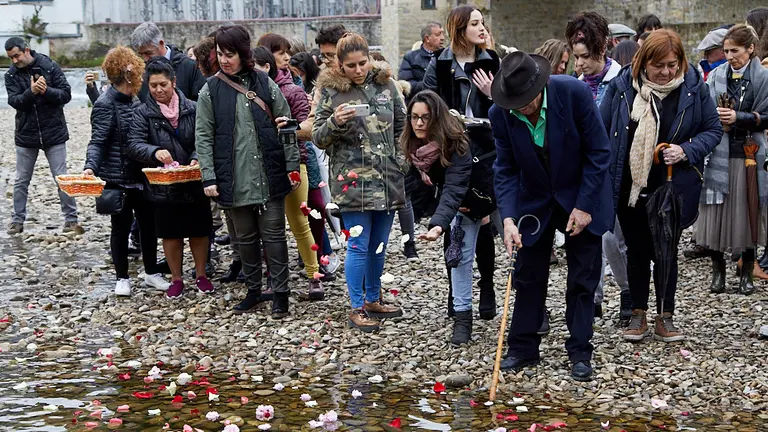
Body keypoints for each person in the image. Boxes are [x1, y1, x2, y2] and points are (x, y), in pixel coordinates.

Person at [490, 51, 613, 381]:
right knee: (528, 274)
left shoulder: (573, 94)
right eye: (515, 103)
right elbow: (504, 168)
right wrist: (508, 219)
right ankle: (523, 347)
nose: (522, 109)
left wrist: (585, 206)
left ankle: (580, 351)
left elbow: (599, 153)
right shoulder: (500, 113)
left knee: (582, 277)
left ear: (541, 87)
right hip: (535, 199)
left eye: (527, 102)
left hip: (580, 193)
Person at [600, 29, 722, 343]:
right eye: (660, 66)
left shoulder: (693, 88)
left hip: (674, 184)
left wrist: (687, 150)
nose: (667, 72)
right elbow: (601, 130)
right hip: (632, 184)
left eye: (673, 64)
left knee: (667, 251)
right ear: (643, 63)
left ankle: (665, 315)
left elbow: (712, 129)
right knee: (638, 250)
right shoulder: (622, 87)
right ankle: (638, 313)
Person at [195, 25, 298, 318]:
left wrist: (292, 167)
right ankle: (253, 290)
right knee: (245, 239)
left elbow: (287, 125)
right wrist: (209, 177)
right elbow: (203, 136)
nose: (224, 60)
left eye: (230, 54)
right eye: (220, 54)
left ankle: (281, 293)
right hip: (234, 178)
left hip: (270, 174)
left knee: (274, 237)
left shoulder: (265, 83)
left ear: (243, 54)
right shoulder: (210, 90)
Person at [313, 32, 406, 332]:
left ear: (370, 59)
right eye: (350, 65)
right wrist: (335, 122)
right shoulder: (330, 92)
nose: (357, 70)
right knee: (358, 245)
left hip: (386, 177)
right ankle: (356, 306)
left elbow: (402, 126)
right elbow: (317, 137)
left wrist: (401, 161)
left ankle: (373, 298)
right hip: (352, 182)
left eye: (362, 63)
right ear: (339, 65)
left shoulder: (386, 85)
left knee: (379, 245)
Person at [423, 5, 501, 320]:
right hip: (451, 152)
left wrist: (491, 93)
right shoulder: (440, 64)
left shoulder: (492, 61)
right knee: (454, 219)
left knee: (482, 219)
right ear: (459, 29)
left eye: (482, 23)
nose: (482, 29)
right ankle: (457, 293)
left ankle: (487, 286)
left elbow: (510, 106)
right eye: (474, 23)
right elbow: (425, 105)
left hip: (486, 151)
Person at [83, 47, 168, 296]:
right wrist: (90, 167)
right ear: (130, 74)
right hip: (116, 177)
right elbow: (97, 141)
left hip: (142, 173)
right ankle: (122, 277)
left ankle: (151, 272)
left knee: (148, 224)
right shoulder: (104, 104)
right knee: (120, 227)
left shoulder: (136, 98)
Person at [127, 58, 213, 298]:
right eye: (153, 86)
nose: (158, 90)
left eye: (163, 84)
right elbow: (133, 145)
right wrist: (154, 152)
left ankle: (201, 274)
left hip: (193, 178)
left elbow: (205, 138)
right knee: (170, 232)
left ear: (174, 82)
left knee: (199, 229)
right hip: (162, 183)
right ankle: (176, 278)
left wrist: (197, 157)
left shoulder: (195, 108)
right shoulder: (143, 112)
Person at [566, 11, 630, 324]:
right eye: (575, 58)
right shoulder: (576, 86)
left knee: (614, 239)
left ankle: (629, 292)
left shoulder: (621, 82)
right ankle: (593, 298)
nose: (578, 65)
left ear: (601, 51)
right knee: (588, 237)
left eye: (584, 58)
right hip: (585, 172)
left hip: (617, 170)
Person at [695, 24, 768, 295]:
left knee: (749, 213)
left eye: (735, 50)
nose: (729, 56)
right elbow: (702, 114)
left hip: (750, 155)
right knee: (716, 213)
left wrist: (742, 118)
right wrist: (717, 121)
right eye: (725, 51)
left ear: (751, 49)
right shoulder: (714, 77)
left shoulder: (764, 79)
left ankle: (746, 272)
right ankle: (718, 273)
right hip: (720, 154)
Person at [405, 91, 478, 344]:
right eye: (414, 117)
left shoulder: (457, 142)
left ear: (437, 118)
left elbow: (454, 186)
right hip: (457, 202)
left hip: (485, 194)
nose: (419, 124)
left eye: (425, 118)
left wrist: (437, 224)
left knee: (506, 248)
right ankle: (462, 318)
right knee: (460, 255)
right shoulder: (414, 146)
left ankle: (493, 292)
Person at [256, 35, 327, 295]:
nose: (285, 57)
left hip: (295, 162)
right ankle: (274, 277)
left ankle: (314, 275)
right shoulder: (250, 93)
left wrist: (287, 130)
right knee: (269, 226)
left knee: (299, 221)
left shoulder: (292, 90)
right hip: (262, 166)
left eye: (287, 52)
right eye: (279, 52)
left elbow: (306, 128)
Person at [4, 37, 83, 236]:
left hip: (53, 132)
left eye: (16, 55)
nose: (14, 61)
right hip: (26, 134)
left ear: (27, 50)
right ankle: (17, 220)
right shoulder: (11, 75)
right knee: (21, 179)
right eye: (10, 57)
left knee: (61, 178)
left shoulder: (49, 66)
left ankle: (71, 220)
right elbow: (15, 102)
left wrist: (46, 91)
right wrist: (31, 92)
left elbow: (65, 95)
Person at [130, 22, 206, 102]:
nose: (145, 59)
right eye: (141, 54)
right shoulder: (141, 72)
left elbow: (201, 103)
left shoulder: (189, 67)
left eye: (148, 53)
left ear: (161, 43)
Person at [398, 22, 445, 102]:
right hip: (421, 104)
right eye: (438, 35)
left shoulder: (447, 57)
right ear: (427, 39)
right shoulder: (410, 58)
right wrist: (430, 83)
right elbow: (406, 85)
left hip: (443, 105)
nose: (443, 38)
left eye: (442, 34)